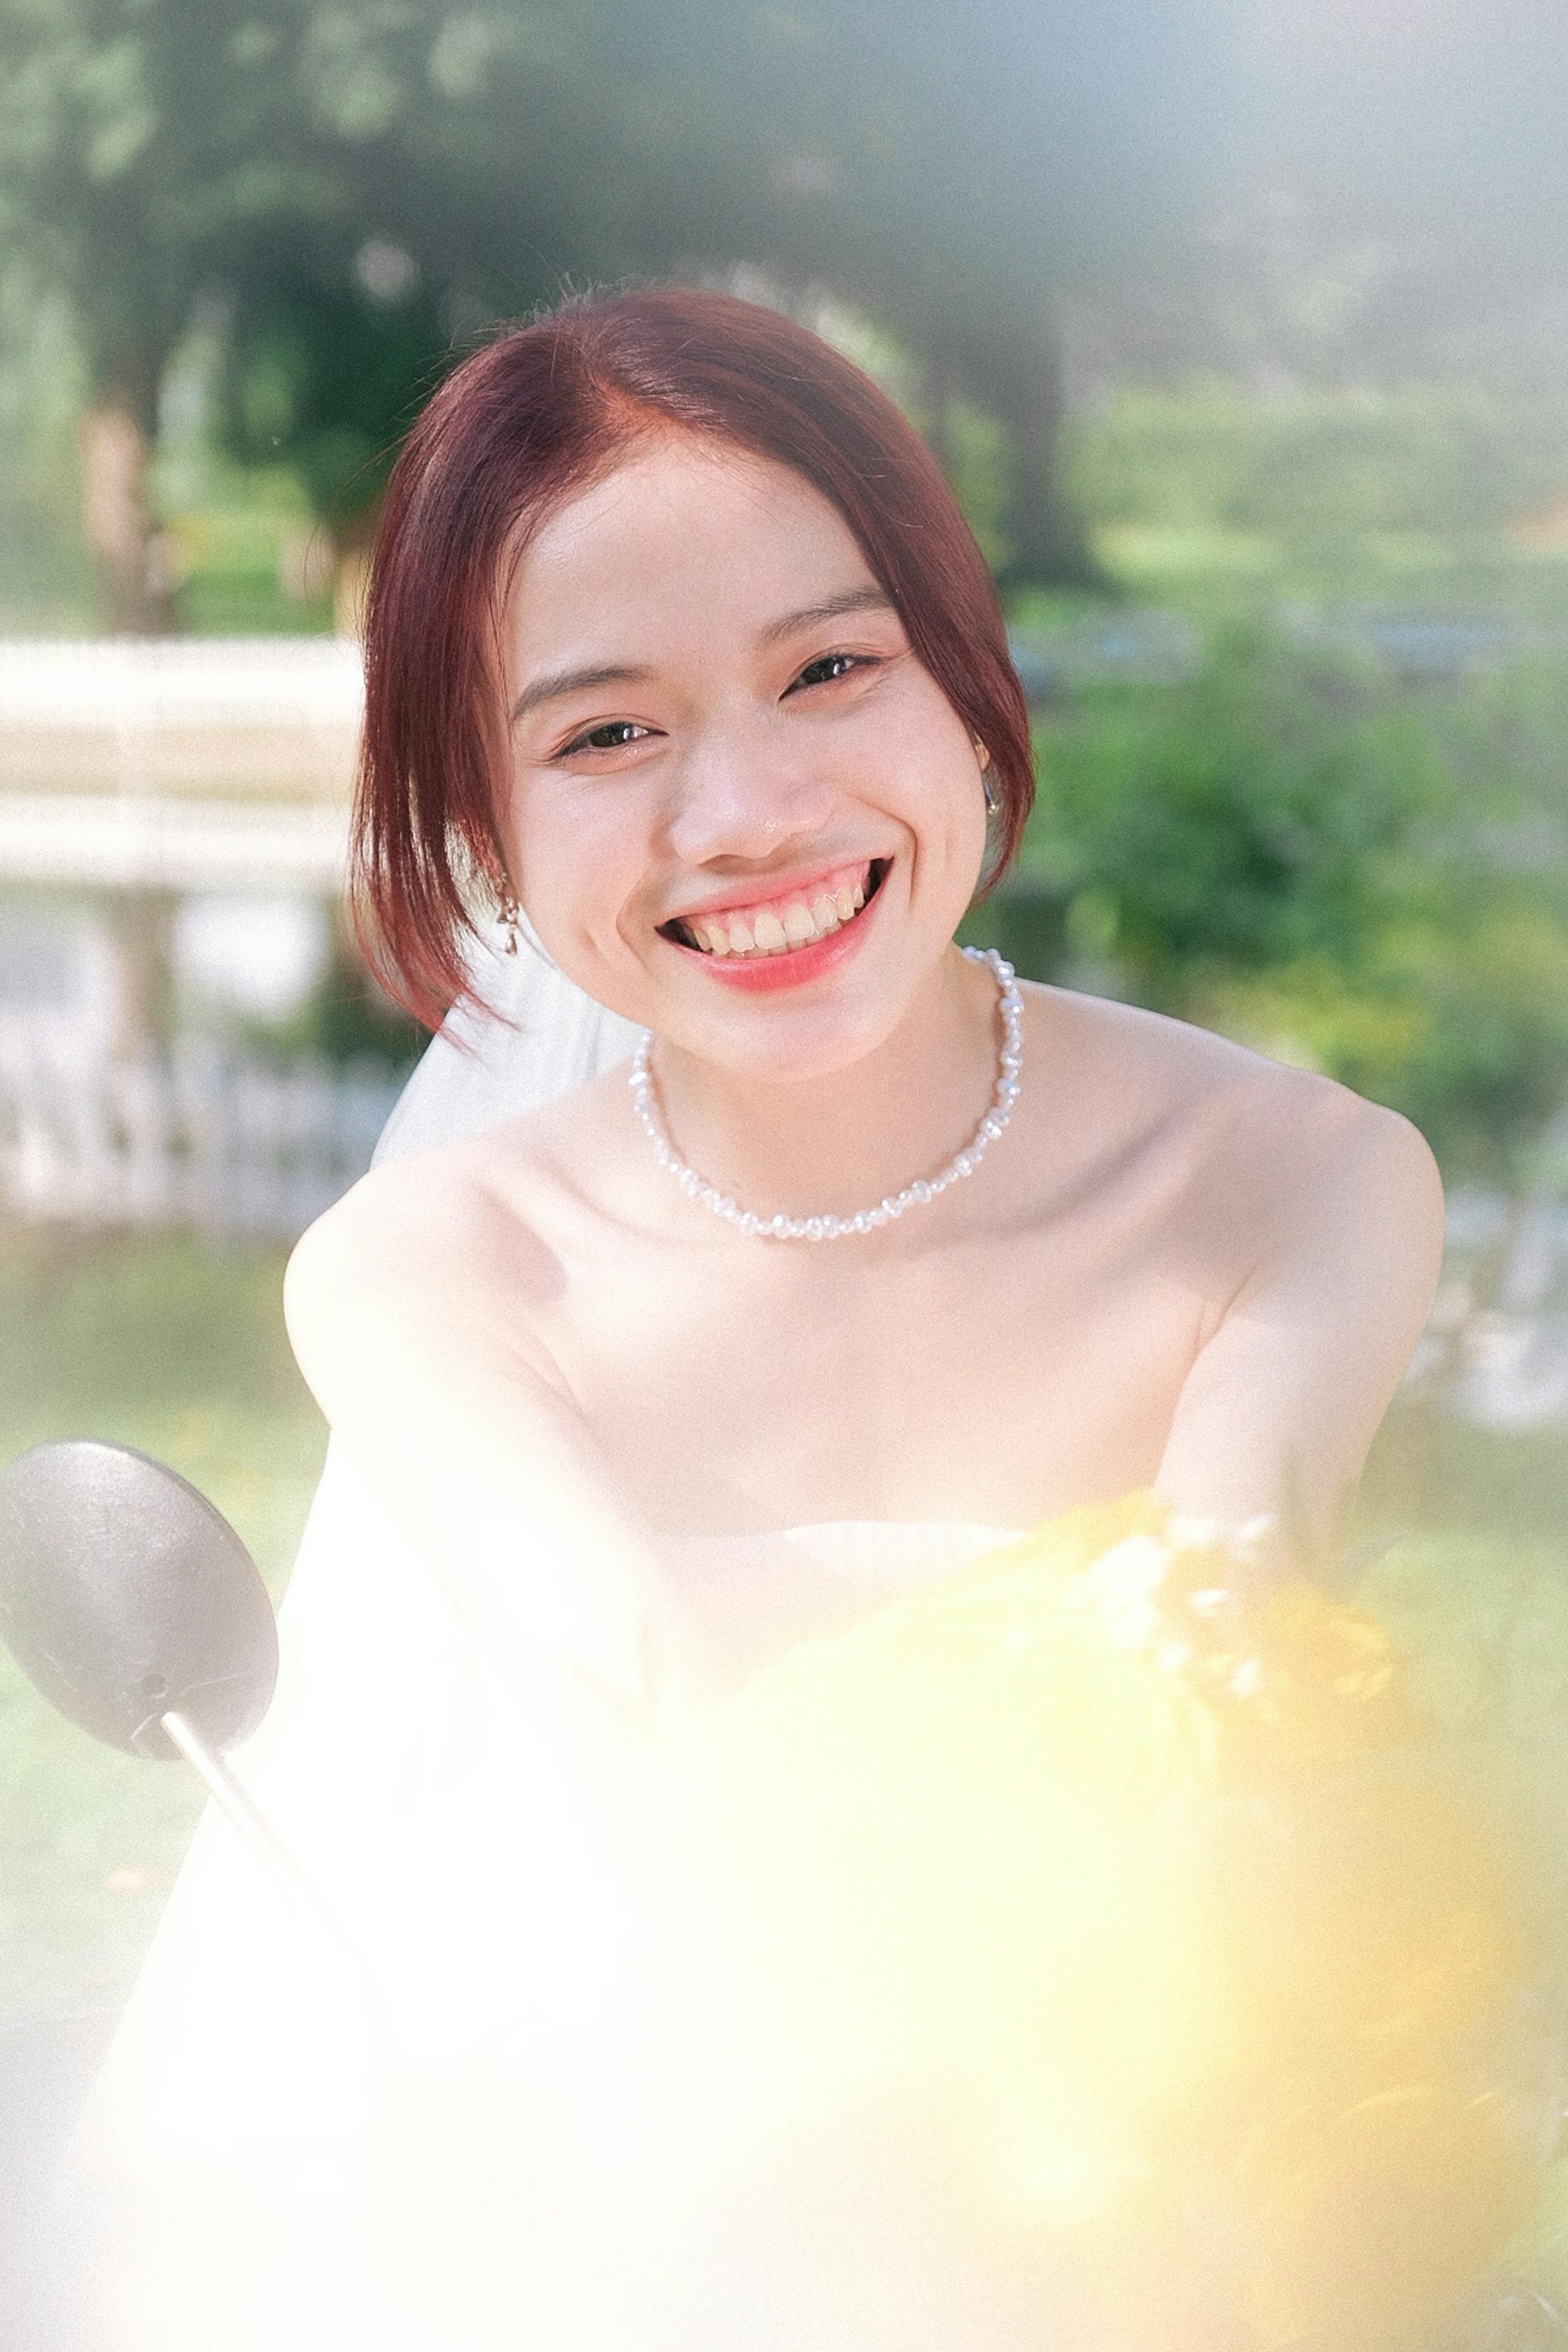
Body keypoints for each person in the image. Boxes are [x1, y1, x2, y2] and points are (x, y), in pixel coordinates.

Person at [45, 285, 1446, 2351]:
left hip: (1128, 2160)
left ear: (968, 682)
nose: (747, 817)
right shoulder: (428, 1275)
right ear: (484, 820)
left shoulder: (1300, 1191)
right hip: (607, 2177)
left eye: (830, 671)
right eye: (608, 730)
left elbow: (1223, 1716)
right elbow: (642, 1739)